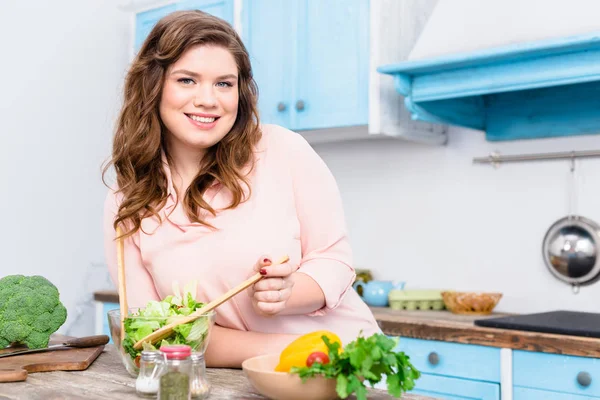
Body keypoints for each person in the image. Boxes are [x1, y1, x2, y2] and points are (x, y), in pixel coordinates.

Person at [102, 10, 381, 368]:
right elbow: (156, 336)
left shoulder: (282, 149)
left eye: (224, 83)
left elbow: (334, 261)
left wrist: (291, 291)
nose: (208, 99)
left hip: (343, 368)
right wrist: (297, 351)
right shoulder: (128, 200)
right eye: (187, 80)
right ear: (153, 86)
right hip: (287, 366)